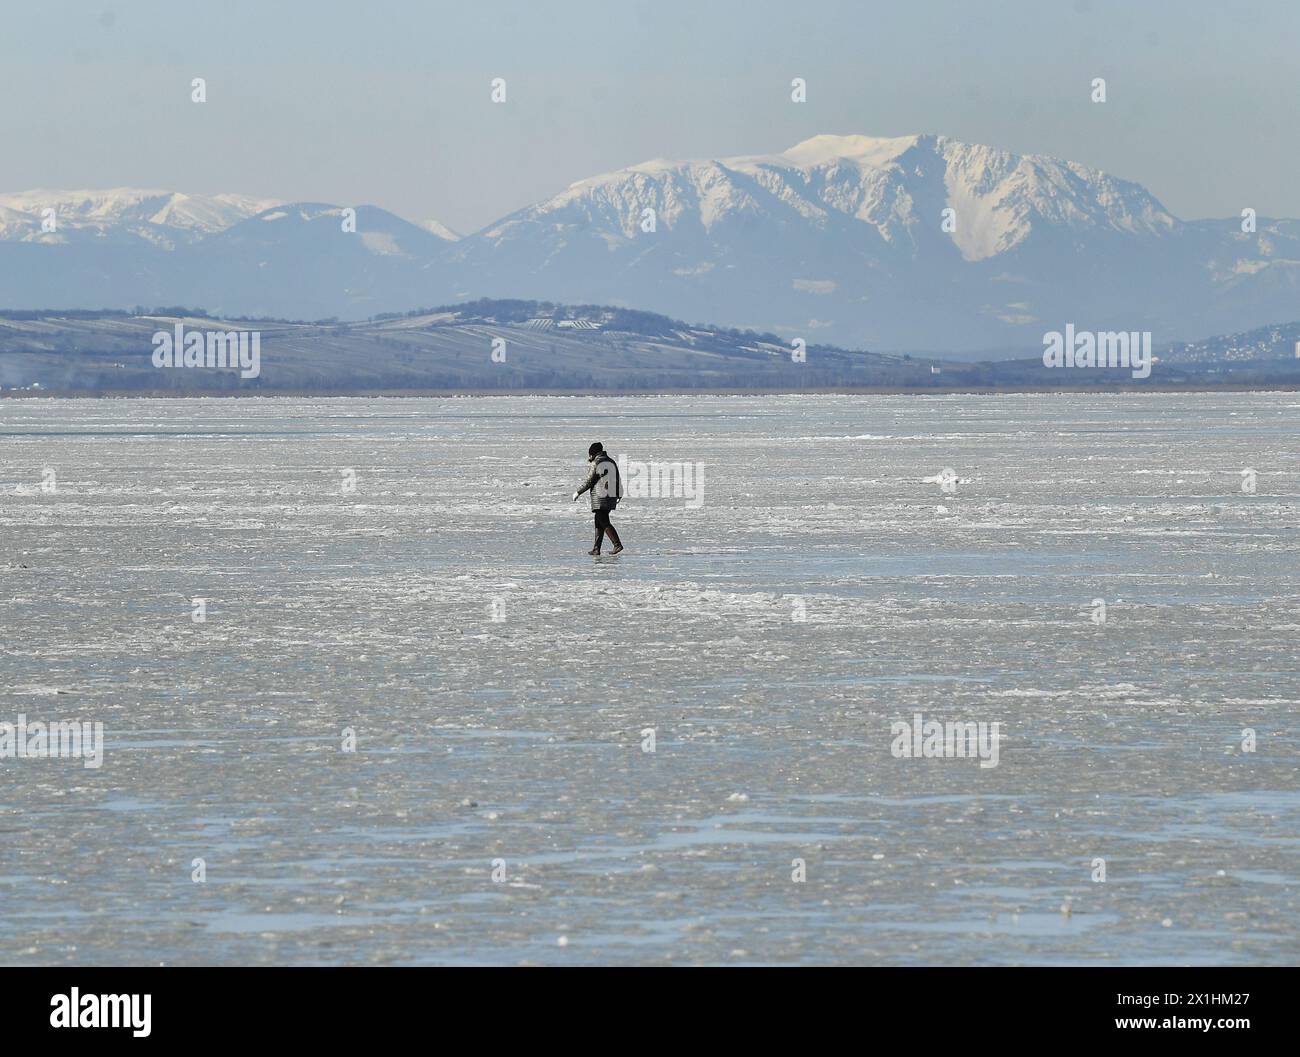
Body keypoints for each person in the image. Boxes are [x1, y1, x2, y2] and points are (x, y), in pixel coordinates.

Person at [572, 441, 623, 555]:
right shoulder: (611, 461)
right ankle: (596, 549)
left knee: (603, 521)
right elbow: (617, 479)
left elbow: (589, 481)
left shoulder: (596, 462)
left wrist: (578, 492)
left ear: (593, 453)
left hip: (600, 497)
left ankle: (617, 544)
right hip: (611, 495)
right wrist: (619, 493)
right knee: (598, 521)